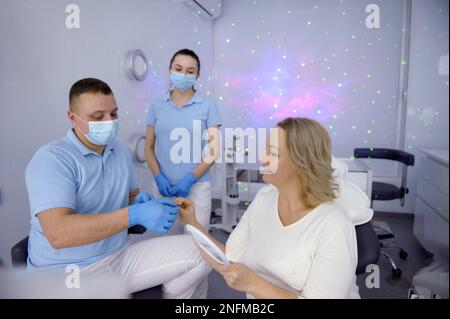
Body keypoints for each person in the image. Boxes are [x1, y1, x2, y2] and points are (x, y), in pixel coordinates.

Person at [25, 78, 211, 298]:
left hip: (119, 257)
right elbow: (59, 233)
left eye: (113, 114)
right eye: (98, 117)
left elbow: (131, 197)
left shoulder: (119, 151)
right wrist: (135, 214)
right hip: (69, 272)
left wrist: (144, 203)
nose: (109, 121)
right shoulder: (52, 159)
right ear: (72, 118)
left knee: (204, 252)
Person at [176, 117, 360, 299]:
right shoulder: (264, 199)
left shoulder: (334, 226)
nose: (262, 158)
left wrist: (255, 285)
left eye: (272, 153)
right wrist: (193, 224)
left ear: (301, 163)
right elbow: (229, 260)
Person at [144, 48, 222, 234]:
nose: (183, 75)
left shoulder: (207, 106)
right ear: (170, 70)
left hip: (197, 189)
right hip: (163, 189)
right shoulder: (156, 106)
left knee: (197, 244)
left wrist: (190, 178)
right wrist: (158, 177)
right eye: (178, 69)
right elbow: (148, 147)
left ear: (198, 75)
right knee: (164, 244)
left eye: (190, 71)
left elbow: (214, 150)